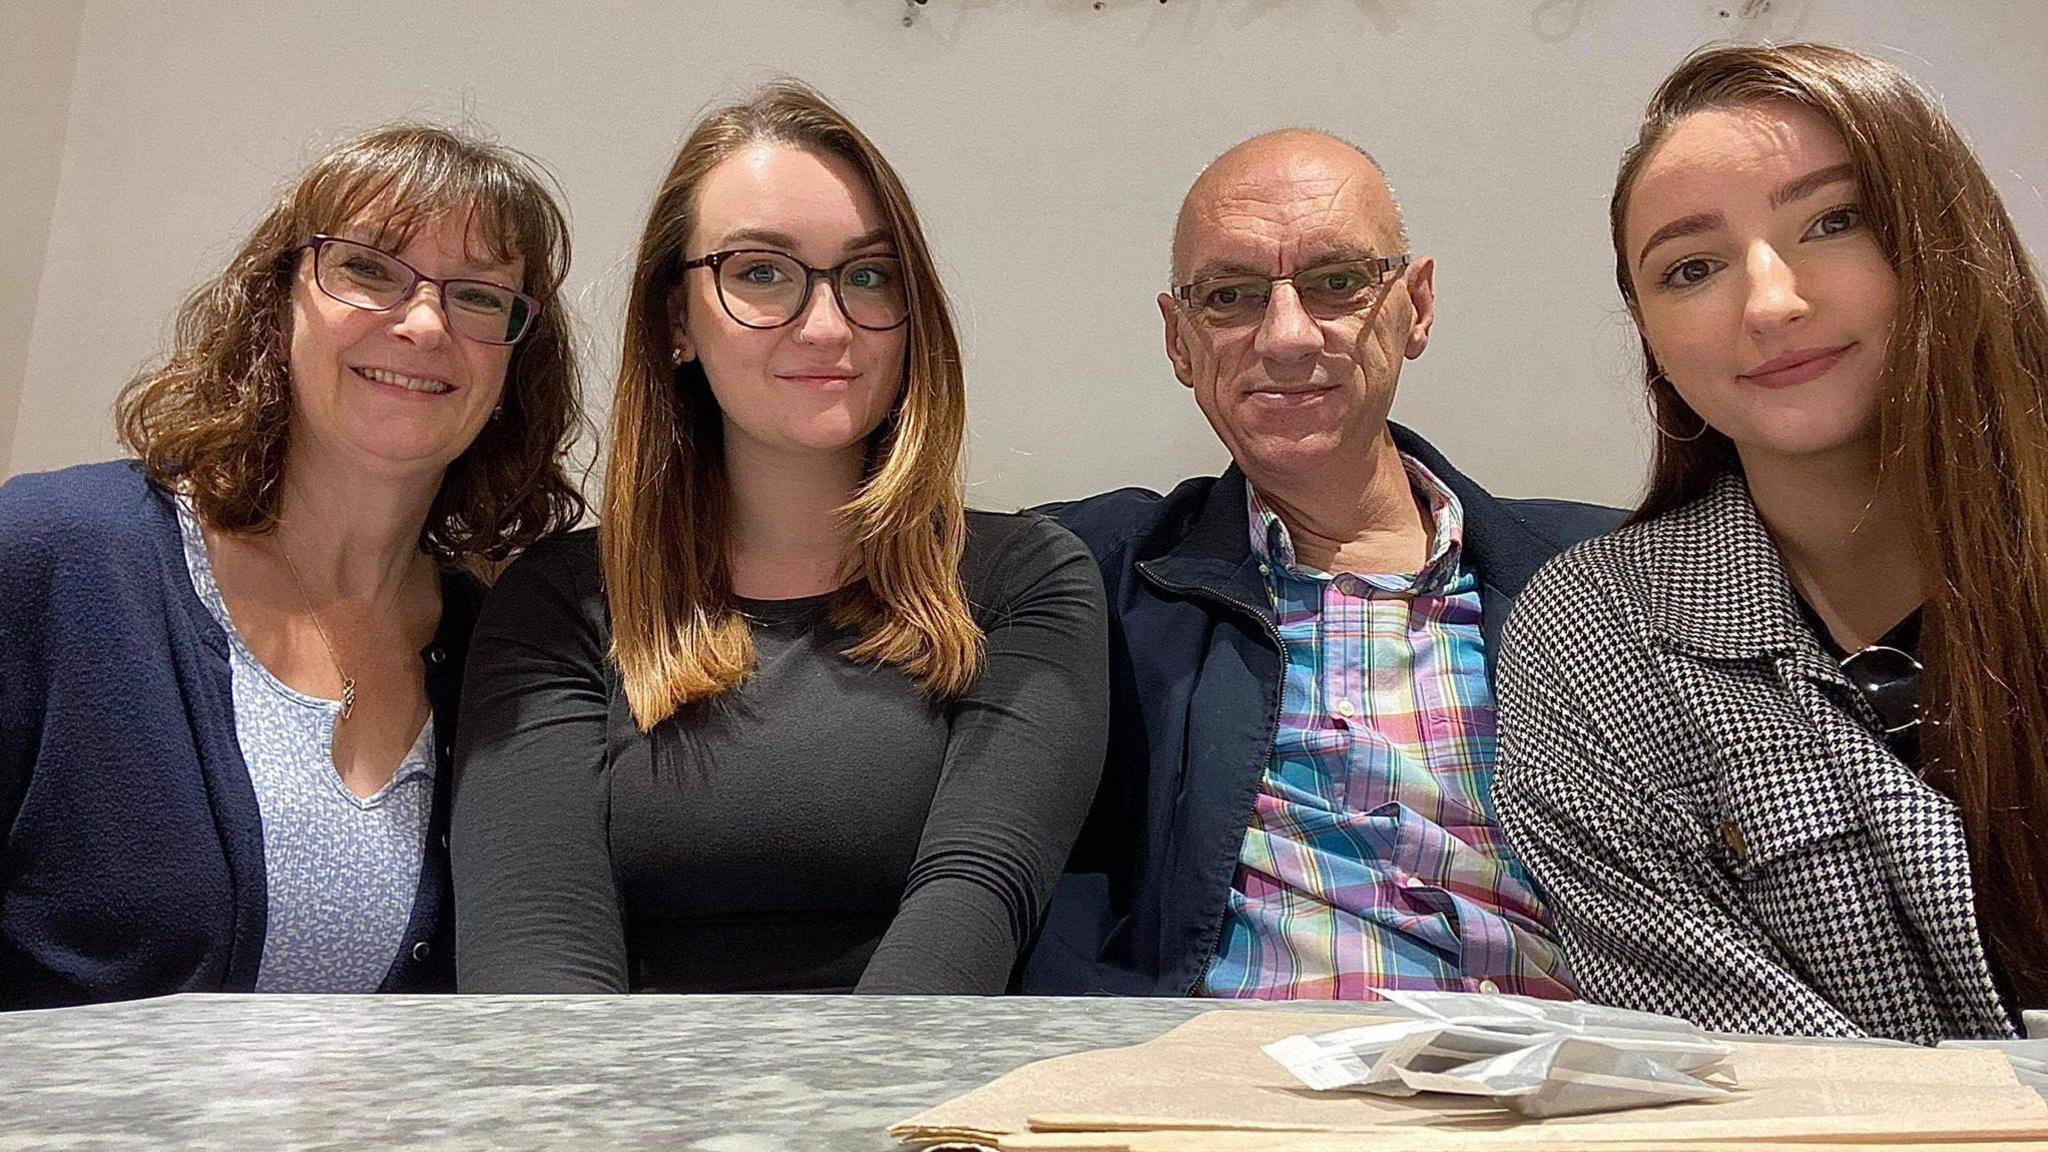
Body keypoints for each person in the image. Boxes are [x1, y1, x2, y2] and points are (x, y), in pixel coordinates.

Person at [451, 82, 1109, 995]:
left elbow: (977, 899)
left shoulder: (1024, 580)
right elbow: (534, 946)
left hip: (915, 1107)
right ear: (676, 320)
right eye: (761, 272)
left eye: (869, 275)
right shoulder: (561, 600)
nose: (829, 323)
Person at [1494, 43, 2048, 1043]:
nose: (1768, 304)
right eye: (1689, 268)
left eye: (1832, 222)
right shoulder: (1593, 637)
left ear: (1943, 236)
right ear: (1649, 335)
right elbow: (1745, 1066)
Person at [1023, 130, 1622, 999]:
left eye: (1338, 283)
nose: (1288, 336)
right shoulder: (1100, 575)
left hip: (1552, 1097)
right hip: (1233, 1100)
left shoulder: (1602, 576)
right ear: (1179, 339)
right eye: (1229, 296)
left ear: (1417, 306)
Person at [0, 124, 588, 1008]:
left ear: (514, 359)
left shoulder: (504, 653)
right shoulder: (54, 556)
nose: (424, 323)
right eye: (370, 269)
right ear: (277, 306)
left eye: (477, 295)